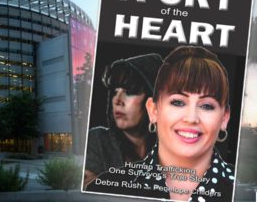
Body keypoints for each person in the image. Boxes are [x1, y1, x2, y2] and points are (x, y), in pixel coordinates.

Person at [86, 46, 234, 202]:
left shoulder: (246, 191)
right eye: (178, 102)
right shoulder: (103, 189)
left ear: (224, 118)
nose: (191, 118)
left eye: (207, 106)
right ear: (153, 110)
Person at [83, 53, 163, 186]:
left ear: (153, 102)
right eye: (115, 92)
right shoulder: (98, 140)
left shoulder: (173, 147)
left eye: (129, 92)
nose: (117, 100)